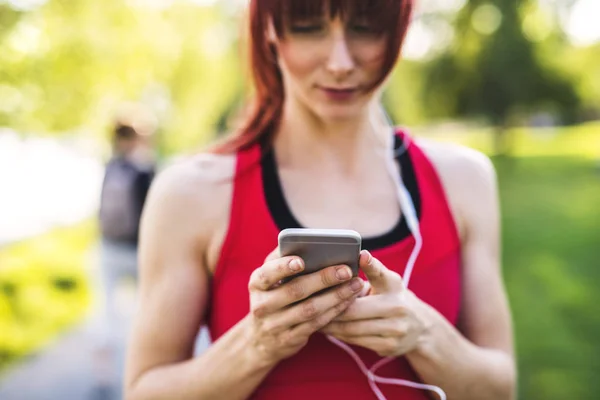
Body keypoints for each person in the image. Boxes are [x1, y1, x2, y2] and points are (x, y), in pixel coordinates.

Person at [124, 1, 516, 399]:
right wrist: (257, 345)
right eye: (309, 28)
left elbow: (501, 390)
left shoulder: (463, 180)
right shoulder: (193, 194)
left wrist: (424, 335)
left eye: (365, 28)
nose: (341, 62)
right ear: (270, 33)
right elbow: (142, 391)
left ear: (399, 31)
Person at [93, 113, 156, 399]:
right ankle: (143, 372)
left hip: (108, 246)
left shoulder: (110, 166)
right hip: (136, 250)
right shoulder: (144, 170)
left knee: (105, 310)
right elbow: (154, 216)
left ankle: (103, 375)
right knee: (147, 308)